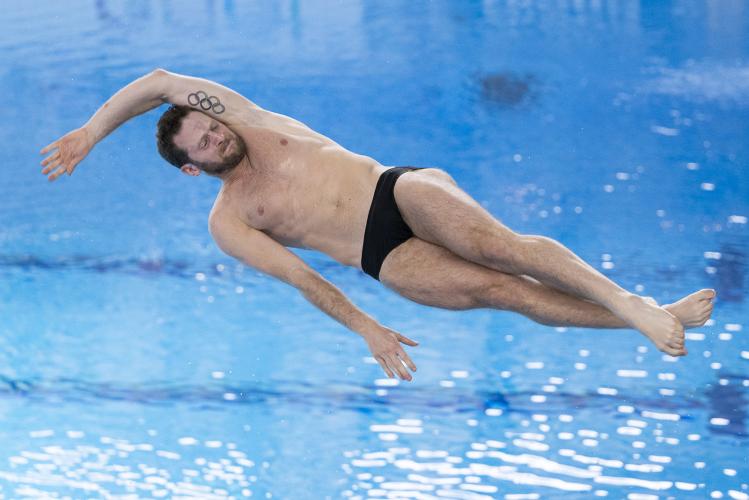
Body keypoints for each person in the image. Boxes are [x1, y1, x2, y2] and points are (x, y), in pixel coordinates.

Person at [40, 69, 716, 382]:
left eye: (212, 127)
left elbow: (159, 82)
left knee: (498, 248)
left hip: (394, 189)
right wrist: (367, 328)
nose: (218, 137)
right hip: (379, 255)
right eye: (206, 145)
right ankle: (651, 317)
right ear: (192, 167)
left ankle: (630, 302)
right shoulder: (231, 221)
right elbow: (304, 279)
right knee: (503, 292)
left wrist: (91, 133)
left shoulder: (247, 117)